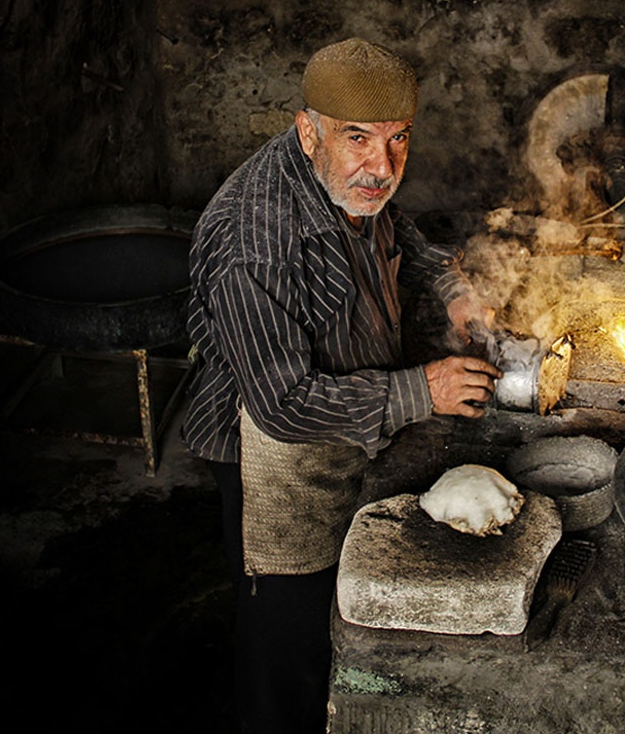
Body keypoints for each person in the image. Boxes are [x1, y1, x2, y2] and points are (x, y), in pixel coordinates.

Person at [181, 37, 501, 733]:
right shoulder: (254, 246)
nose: (381, 167)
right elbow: (283, 403)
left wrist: (449, 286)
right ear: (309, 131)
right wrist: (423, 391)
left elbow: (396, 227)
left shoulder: (349, 173)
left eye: (398, 141)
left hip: (350, 420)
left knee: (345, 611)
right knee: (286, 640)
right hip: (270, 453)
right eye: (358, 140)